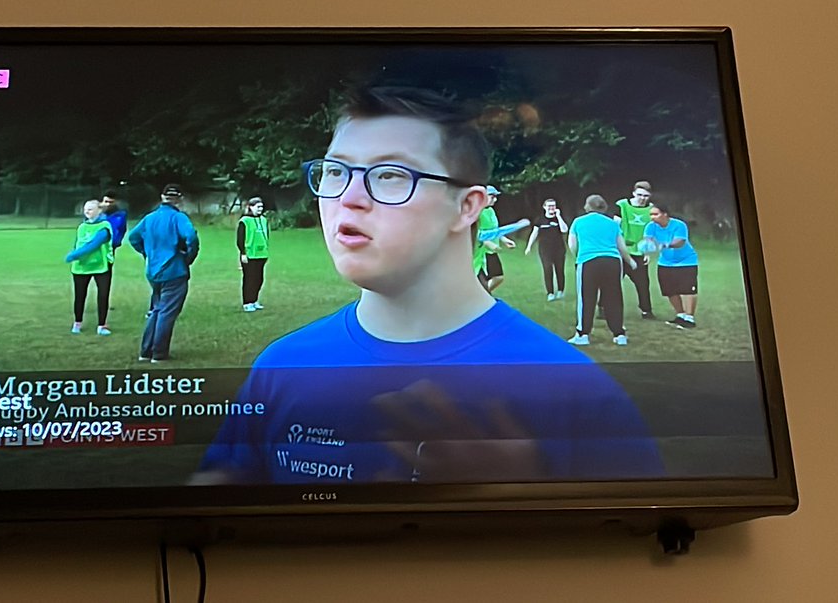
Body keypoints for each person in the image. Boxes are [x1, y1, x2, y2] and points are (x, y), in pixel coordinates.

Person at [193, 86, 663, 485]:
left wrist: (526, 505)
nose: (348, 199)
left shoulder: (574, 390)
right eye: (336, 172)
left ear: (467, 206)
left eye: (391, 175)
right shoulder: (282, 367)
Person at [128, 183, 200, 362]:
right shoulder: (178, 218)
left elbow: (133, 237)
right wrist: (188, 257)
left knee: (156, 309)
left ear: (162, 197)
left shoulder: (149, 218)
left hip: (153, 271)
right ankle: (159, 353)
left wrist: (147, 253)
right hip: (174, 271)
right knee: (167, 312)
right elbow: (191, 236)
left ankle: (146, 352)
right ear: (179, 199)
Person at [567, 194, 637, 347]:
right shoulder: (612, 224)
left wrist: (578, 257)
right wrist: (630, 261)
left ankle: (582, 334)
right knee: (614, 297)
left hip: (589, 261)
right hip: (612, 262)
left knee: (586, 298)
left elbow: (572, 244)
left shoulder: (578, 221)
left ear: (587, 206)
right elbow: (621, 246)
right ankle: (619, 335)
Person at [642, 204, 699, 329]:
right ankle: (680, 315)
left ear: (665, 214)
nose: (652, 217)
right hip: (665, 262)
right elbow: (648, 240)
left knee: (688, 289)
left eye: (655, 214)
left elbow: (680, 242)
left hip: (686, 261)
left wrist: (664, 245)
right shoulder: (651, 226)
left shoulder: (679, 225)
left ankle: (689, 318)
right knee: (670, 290)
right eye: (651, 214)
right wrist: (647, 252)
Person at [64, 200, 114, 336]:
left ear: (99, 211)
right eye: (86, 209)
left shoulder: (105, 226)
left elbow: (94, 244)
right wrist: (76, 256)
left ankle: (102, 325)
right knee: (80, 295)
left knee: (103, 295)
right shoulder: (82, 227)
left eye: (90, 209)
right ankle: (77, 323)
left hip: (101, 266)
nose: (87, 212)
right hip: (81, 266)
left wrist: (73, 255)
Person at [613, 181, 656, 319]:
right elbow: (615, 227)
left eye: (645, 196)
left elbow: (653, 232)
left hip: (639, 251)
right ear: (633, 193)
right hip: (621, 249)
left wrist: (648, 252)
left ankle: (646, 311)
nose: (642, 198)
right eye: (639, 195)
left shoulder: (651, 210)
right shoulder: (622, 205)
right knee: (612, 281)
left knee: (643, 283)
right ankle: (603, 307)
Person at [524, 198, 568, 301]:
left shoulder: (558, 219)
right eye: (549, 206)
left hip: (559, 249)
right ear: (544, 207)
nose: (551, 208)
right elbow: (534, 234)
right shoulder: (539, 220)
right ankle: (550, 293)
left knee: (559, 270)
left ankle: (560, 291)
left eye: (553, 206)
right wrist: (529, 246)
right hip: (545, 249)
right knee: (547, 269)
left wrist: (558, 216)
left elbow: (564, 230)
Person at [473, 186, 515, 292]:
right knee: (479, 281)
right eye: (492, 196)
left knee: (498, 277)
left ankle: (485, 294)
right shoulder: (476, 212)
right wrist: (488, 243)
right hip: (480, 253)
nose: (495, 199)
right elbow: (475, 233)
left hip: (490, 252)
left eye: (496, 197)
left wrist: (504, 240)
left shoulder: (491, 211)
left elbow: (495, 230)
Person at [237, 196, 270, 312]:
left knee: (259, 279)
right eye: (257, 207)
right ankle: (247, 302)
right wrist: (243, 253)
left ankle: (255, 300)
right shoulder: (244, 221)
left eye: (261, 207)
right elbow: (240, 238)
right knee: (249, 279)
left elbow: (267, 236)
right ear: (250, 207)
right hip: (249, 255)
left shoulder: (264, 220)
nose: (260, 209)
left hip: (262, 254)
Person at [99, 190, 128, 305]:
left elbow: (122, 230)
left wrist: (116, 242)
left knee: (106, 276)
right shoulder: (98, 214)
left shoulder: (120, 215)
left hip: (110, 248)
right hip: (95, 248)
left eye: (110, 202)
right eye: (106, 201)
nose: (108, 204)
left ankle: (104, 302)